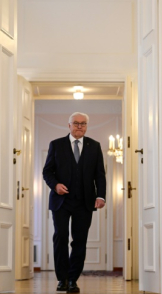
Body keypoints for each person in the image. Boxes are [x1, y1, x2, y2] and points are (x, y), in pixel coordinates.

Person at [43, 112, 106, 293]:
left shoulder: (94, 146)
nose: (79, 126)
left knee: (79, 241)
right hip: (61, 202)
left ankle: (72, 279)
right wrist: (55, 186)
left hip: (84, 202)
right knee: (60, 237)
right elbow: (47, 172)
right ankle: (61, 279)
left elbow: (99, 175)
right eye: (76, 123)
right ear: (69, 125)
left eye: (83, 124)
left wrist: (100, 196)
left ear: (86, 126)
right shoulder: (56, 145)